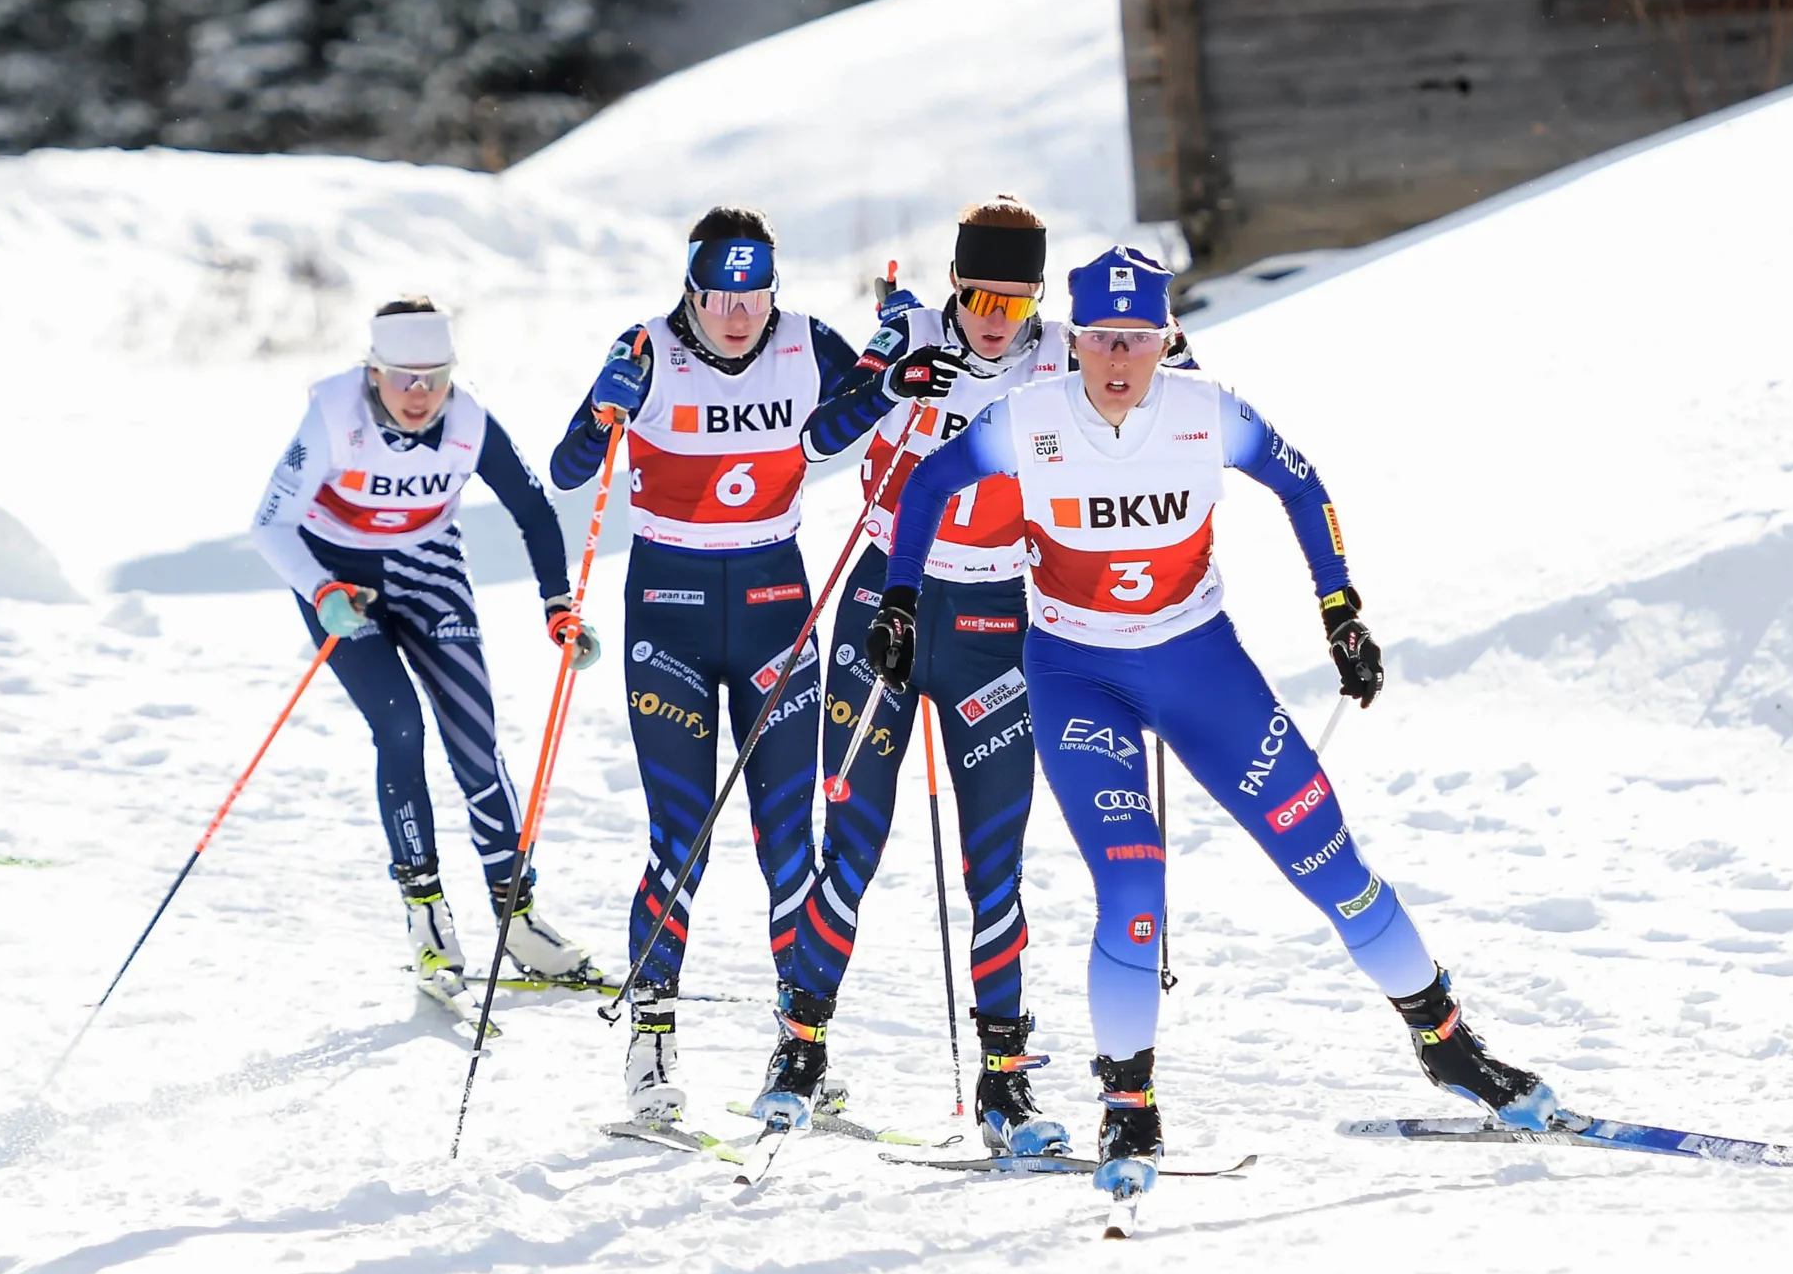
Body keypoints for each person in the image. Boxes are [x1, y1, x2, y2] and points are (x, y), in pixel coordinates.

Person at [867, 245, 1558, 1196]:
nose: (1117, 359)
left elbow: (1304, 487)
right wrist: (899, 600)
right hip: (1078, 674)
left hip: (1200, 665)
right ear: (1075, 342)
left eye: (1137, 340)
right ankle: (1129, 1106)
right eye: (1101, 339)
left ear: (1165, 341)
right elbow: (929, 486)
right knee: (1133, 893)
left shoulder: (1208, 413)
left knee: (1330, 858)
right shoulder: (1028, 420)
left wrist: (1340, 610)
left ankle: (1445, 1040)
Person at [549, 206, 894, 1124]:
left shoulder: (807, 343)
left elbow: (871, 410)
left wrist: (896, 360)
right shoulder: (649, 347)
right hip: (669, 612)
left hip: (780, 609)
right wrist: (601, 407)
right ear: (691, 290)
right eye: (720, 296)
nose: (738, 315)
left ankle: (802, 1048)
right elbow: (569, 468)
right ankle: (651, 1051)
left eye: (755, 294)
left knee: (793, 847)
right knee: (681, 837)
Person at [755, 194, 1075, 1149]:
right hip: (883, 610)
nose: (994, 319)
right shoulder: (908, 331)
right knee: (851, 839)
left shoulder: (1065, 353)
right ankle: (801, 1048)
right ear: (954, 283)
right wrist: (896, 381)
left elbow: (1150, 387)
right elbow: (816, 440)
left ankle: (1004, 1081)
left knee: (997, 863)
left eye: (1015, 303)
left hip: (994, 619)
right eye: (980, 295)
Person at [252, 298, 598, 1014]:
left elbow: (534, 509)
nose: (420, 395)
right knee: (400, 727)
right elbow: (269, 522)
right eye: (403, 378)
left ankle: (520, 919)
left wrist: (557, 604)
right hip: (339, 578)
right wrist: (320, 591)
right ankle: (429, 919)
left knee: (476, 742)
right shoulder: (332, 414)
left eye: (434, 378)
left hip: (428, 570)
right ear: (372, 372)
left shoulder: (468, 420)